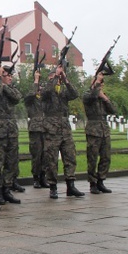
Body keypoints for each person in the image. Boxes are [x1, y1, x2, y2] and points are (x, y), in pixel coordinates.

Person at [42, 64, 83, 199]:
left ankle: (70, 185)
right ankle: (53, 187)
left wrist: (65, 79)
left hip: (65, 129)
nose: (57, 79)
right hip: (52, 130)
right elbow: (46, 92)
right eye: (55, 76)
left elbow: (74, 94)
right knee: (51, 160)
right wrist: (54, 78)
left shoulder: (63, 93)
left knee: (70, 157)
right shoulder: (46, 90)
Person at [0, 65, 22, 205]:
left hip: (11, 131)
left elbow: (17, 97)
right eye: (7, 75)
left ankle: (7, 189)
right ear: (1, 76)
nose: (10, 78)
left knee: (11, 163)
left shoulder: (10, 89)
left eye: (11, 76)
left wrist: (4, 84)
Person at [82, 72, 116, 193]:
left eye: (101, 84)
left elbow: (113, 110)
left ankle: (101, 180)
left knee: (106, 157)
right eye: (98, 83)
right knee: (92, 157)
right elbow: (91, 97)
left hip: (104, 129)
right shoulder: (87, 94)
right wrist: (96, 84)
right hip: (93, 129)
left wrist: (105, 98)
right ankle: (92, 183)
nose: (100, 86)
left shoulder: (102, 96)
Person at [24, 70, 49, 189]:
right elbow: (29, 95)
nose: (41, 89)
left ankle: (43, 177)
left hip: (45, 128)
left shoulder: (44, 100)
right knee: (36, 155)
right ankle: (36, 178)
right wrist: (36, 80)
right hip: (35, 129)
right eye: (40, 87)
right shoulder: (31, 99)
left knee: (45, 155)